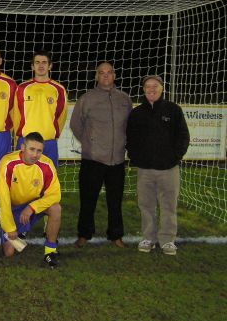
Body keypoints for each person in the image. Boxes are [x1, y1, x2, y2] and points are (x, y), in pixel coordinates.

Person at [70, 62, 132, 248]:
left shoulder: (124, 99)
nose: (105, 75)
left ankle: (116, 235)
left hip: (117, 160)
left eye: (109, 72)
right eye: (101, 73)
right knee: (88, 200)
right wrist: (89, 142)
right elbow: (75, 125)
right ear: (96, 76)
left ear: (114, 75)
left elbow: (130, 126)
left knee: (115, 201)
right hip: (93, 160)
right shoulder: (86, 99)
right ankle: (83, 234)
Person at [126, 75, 189, 256]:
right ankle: (149, 238)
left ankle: (167, 240)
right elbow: (130, 140)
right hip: (145, 170)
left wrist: (174, 158)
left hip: (169, 169)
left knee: (168, 205)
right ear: (143, 89)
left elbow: (183, 137)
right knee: (146, 205)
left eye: (155, 86)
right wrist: (136, 158)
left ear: (162, 88)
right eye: (147, 86)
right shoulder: (137, 113)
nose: (151, 89)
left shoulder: (173, 110)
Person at [0, 132, 62, 268]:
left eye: (39, 151)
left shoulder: (47, 164)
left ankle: (50, 252)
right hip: (13, 208)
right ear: (22, 147)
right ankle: (7, 229)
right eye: (32, 149)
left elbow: (55, 195)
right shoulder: (8, 163)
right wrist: (9, 227)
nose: (35, 154)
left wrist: (32, 207)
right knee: (8, 252)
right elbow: (3, 198)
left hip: (32, 206)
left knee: (56, 208)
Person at [13, 49, 67, 168]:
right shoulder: (22, 88)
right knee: (22, 180)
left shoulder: (59, 90)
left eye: (44, 62)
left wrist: (52, 134)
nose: (41, 65)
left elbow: (61, 116)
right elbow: (16, 116)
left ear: (50, 66)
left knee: (48, 181)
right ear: (32, 66)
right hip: (26, 141)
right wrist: (18, 139)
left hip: (48, 143)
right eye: (37, 62)